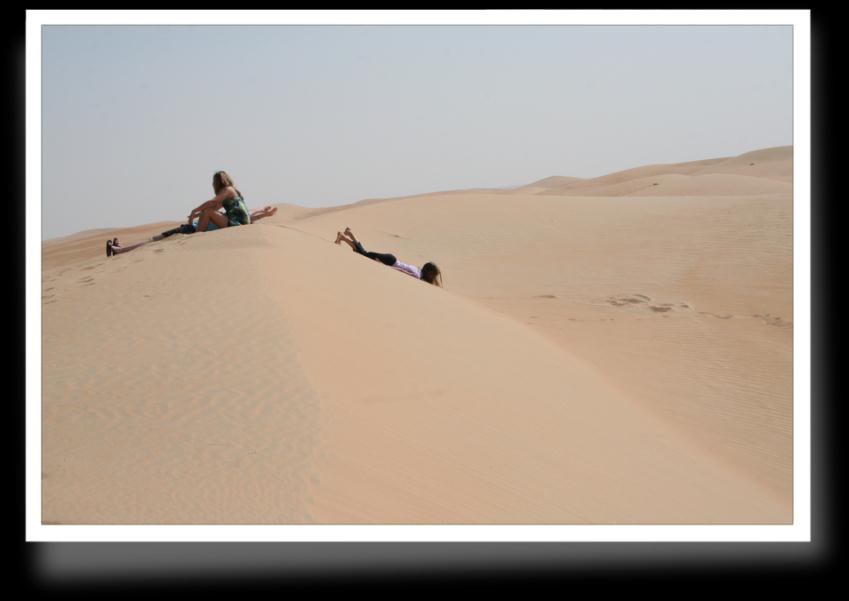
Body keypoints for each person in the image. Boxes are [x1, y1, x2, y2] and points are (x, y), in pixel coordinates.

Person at [106, 205, 278, 257]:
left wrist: (264, 214)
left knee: (153, 241)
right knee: (154, 240)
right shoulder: (231, 219)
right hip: (190, 228)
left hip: (190, 230)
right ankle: (121, 248)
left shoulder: (233, 223)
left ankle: (119, 250)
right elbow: (253, 215)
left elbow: (252, 217)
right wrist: (264, 212)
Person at [334, 227, 442, 286]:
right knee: (363, 255)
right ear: (429, 273)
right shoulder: (417, 276)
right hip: (389, 262)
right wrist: (384, 266)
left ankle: (348, 234)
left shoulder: (418, 270)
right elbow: (401, 271)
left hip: (391, 259)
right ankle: (343, 237)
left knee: (364, 254)